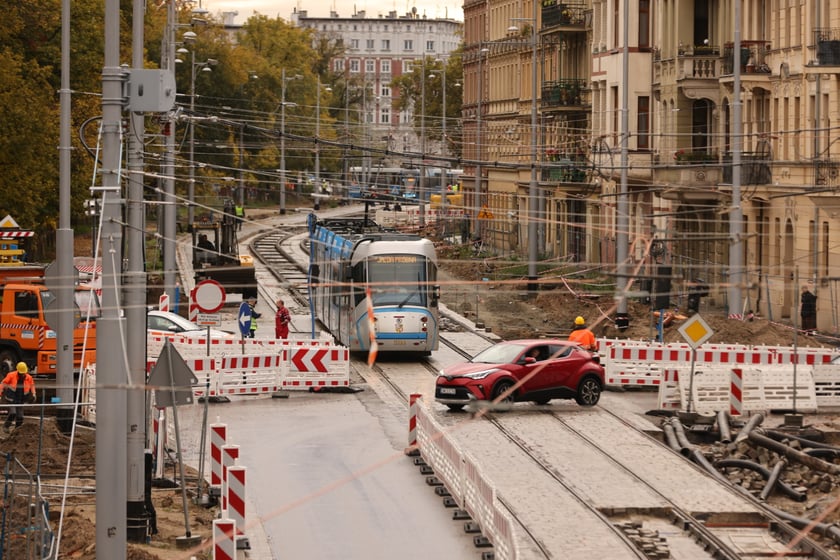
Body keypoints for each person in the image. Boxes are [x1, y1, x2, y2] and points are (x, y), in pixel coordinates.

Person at [1, 362, 36, 431]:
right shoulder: (11, 375)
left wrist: (34, 394)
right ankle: (6, 426)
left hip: (21, 399)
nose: (22, 374)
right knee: (13, 413)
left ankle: (17, 430)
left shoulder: (29, 378)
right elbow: (3, 384)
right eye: (21, 373)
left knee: (20, 417)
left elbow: (32, 386)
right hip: (11, 399)